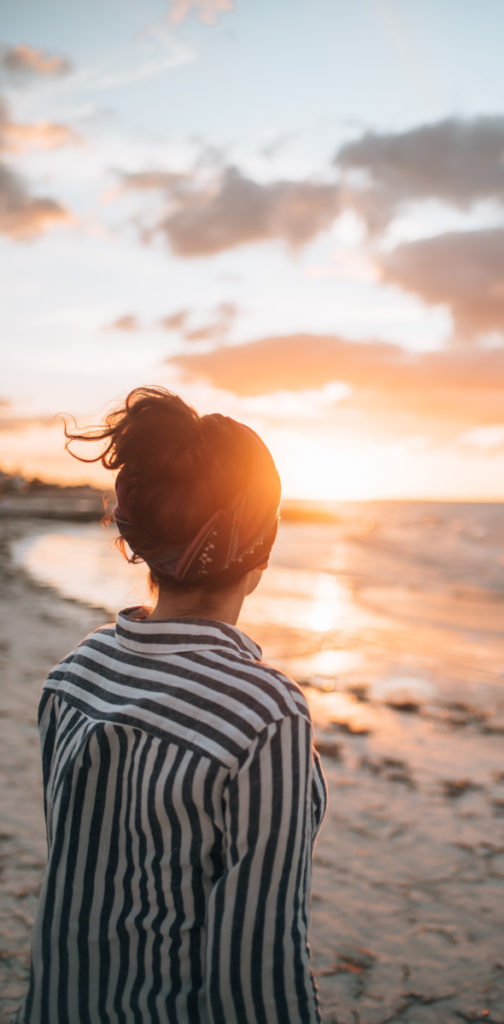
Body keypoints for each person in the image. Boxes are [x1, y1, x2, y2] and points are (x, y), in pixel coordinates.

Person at [14, 387, 327, 1024]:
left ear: (138, 539)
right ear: (259, 547)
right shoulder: (266, 716)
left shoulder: (74, 676)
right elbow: (260, 963)